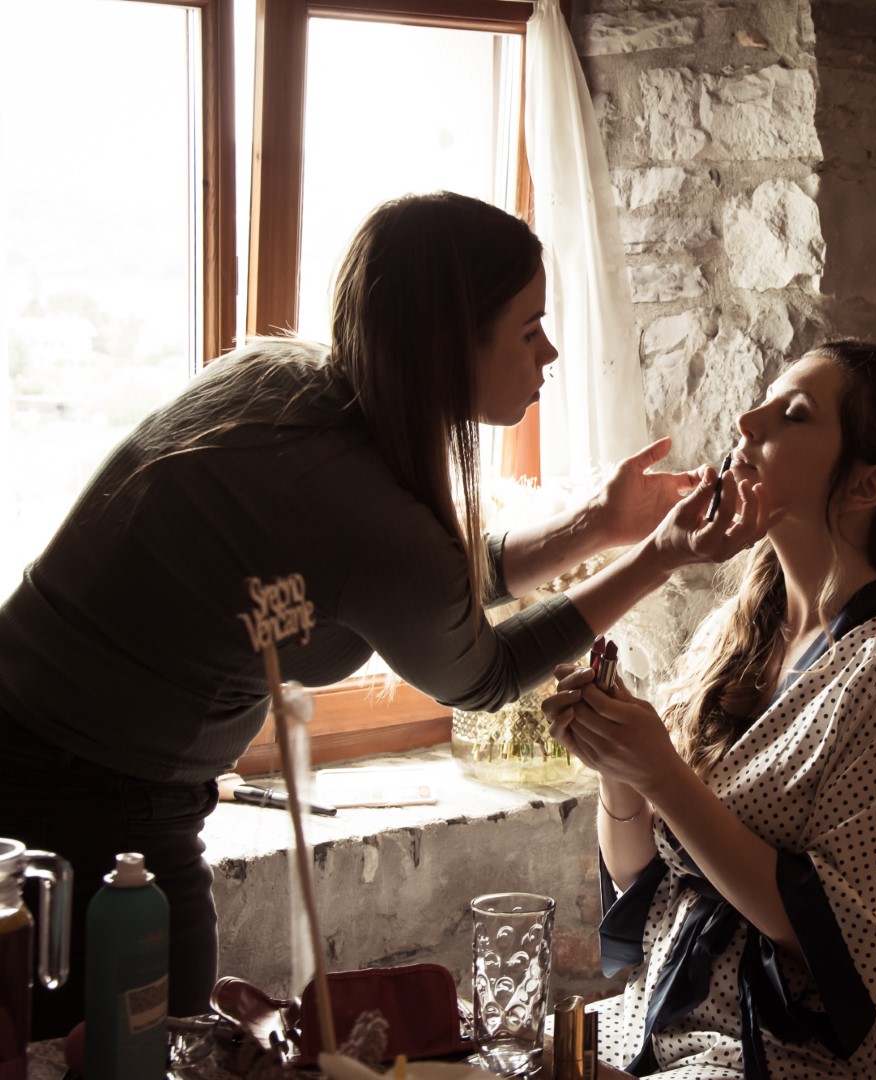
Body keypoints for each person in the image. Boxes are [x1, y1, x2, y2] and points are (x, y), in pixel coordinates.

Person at [0, 191, 769, 1037]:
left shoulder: (278, 384)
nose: (548, 350)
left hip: (42, 746)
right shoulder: (367, 511)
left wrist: (596, 528)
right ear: (447, 345)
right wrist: (659, 554)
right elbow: (485, 675)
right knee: (134, 1052)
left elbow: (414, 583)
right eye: (526, 328)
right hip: (88, 803)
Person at [542, 341, 876, 1080]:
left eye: (793, 414)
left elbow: (841, 939)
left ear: (866, 485)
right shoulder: (731, 635)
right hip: (666, 1021)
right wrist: (620, 771)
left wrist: (663, 776)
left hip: (785, 1055)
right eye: (766, 400)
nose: (748, 418)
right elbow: (645, 876)